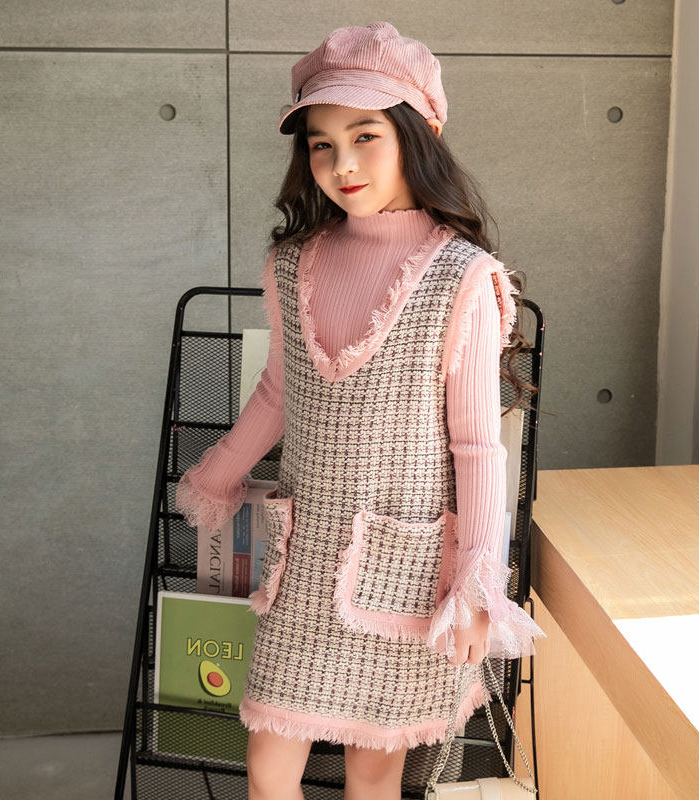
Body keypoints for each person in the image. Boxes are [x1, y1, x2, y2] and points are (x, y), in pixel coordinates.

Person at [175, 21, 547, 800]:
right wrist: (216, 477)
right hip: (305, 565)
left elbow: (478, 446)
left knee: (373, 777)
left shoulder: (462, 277)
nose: (341, 164)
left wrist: (478, 583)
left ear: (421, 132)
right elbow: (279, 393)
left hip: (406, 574)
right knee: (267, 767)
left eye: (365, 136)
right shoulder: (294, 263)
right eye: (322, 144)